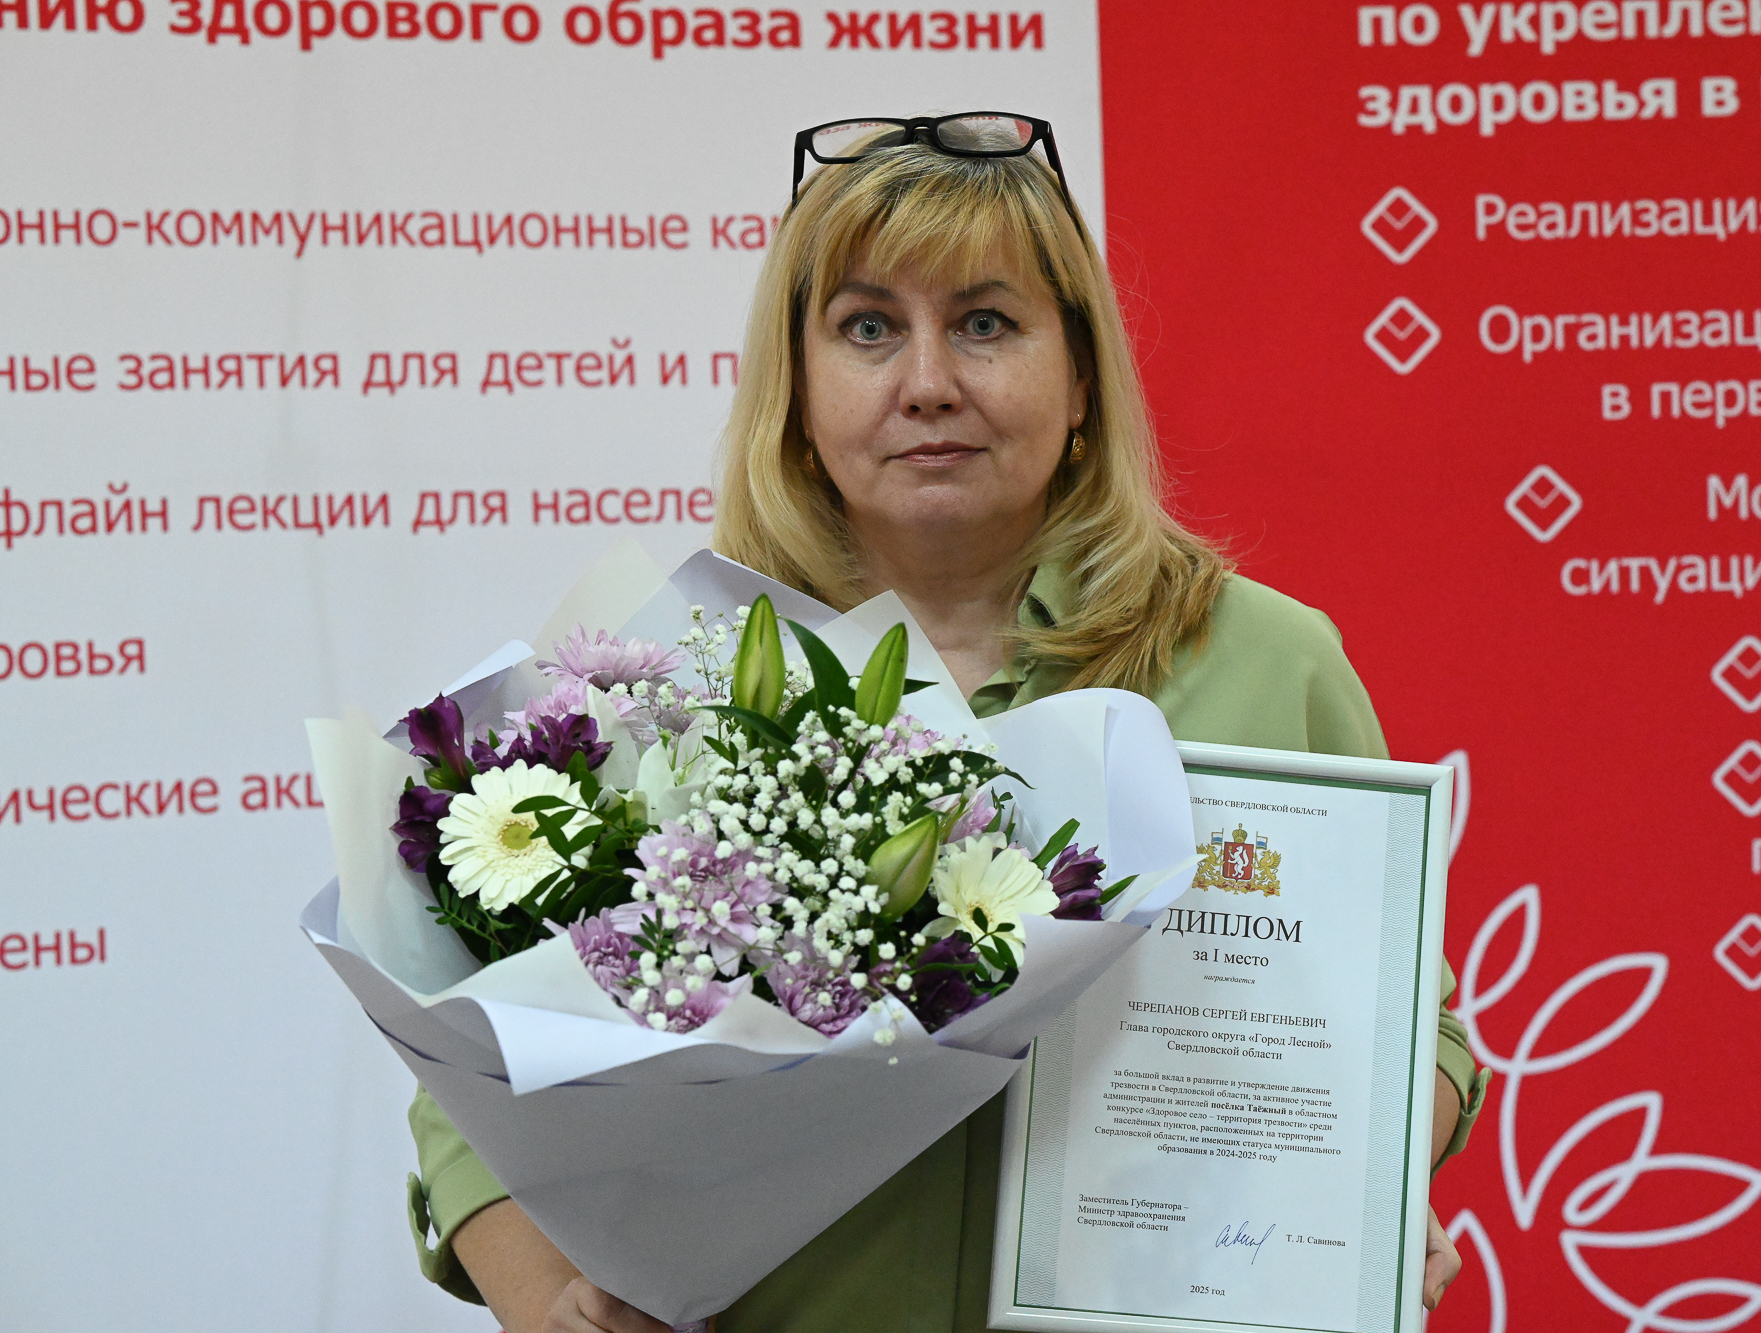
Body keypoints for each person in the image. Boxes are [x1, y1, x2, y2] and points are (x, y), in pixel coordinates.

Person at [406, 113, 1488, 1333]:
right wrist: (543, 1300)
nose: (927, 382)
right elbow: (469, 1073)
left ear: (1079, 380)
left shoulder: (1265, 664)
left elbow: (1414, 1032)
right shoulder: (669, 682)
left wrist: (1353, 1192)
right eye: (868, 328)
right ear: (796, 388)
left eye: (984, 323)